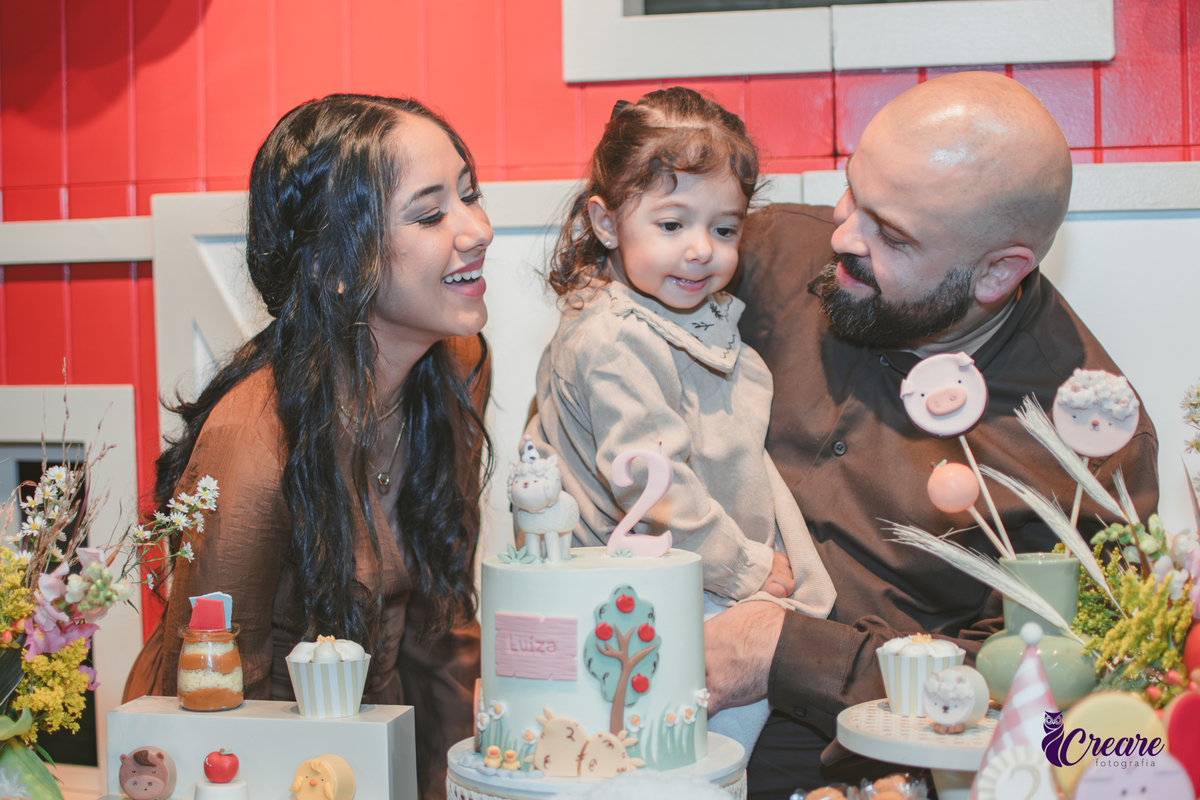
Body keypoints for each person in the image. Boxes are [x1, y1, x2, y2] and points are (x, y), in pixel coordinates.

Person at [703, 71, 1160, 797]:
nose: (843, 235)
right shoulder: (750, 257)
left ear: (997, 273)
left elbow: (1054, 693)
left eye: (893, 235)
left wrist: (785, 651)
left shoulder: (1087, 447)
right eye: (854, 190)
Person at [123, 94, 494, 800]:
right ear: (337, 266)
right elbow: (216, 709)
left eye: (470, 196)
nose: (478, 230)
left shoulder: (460, 367)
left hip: (376, 756)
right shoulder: (252, 445)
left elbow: (442, 629)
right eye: (431, 212)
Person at [526, 87, 836, 754]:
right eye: (672, 225)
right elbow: (653, 484)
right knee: (690, 739)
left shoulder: (666, 315)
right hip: (658, 579)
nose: (701, 250)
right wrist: (744, 569)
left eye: (724, 229)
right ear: (607, 225)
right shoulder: (615, 339)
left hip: (687, 569)